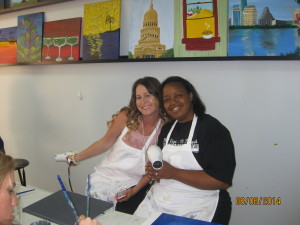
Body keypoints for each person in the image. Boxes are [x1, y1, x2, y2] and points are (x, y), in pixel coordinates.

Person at [135, 76, 236, 225]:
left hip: (200, 203)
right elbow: (163, 169)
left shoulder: (211, 129)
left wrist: (173, 173)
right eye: (167, 99)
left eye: (178, 96)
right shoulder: (167, 129)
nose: (173, 102)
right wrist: (155, 171)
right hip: (163, 199)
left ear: (190, 96)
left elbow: (221, 181)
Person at [67, 77, 168, 214]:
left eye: (147, 96)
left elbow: (153, 170)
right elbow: (104, 143)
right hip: (105, 177)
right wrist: (77, 157)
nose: (143, 101)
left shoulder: (165, 128)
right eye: (138, 97)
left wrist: (134, 191)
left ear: (158, 97)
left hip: (133, 182)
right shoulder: (127, 116)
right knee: (95, 214)